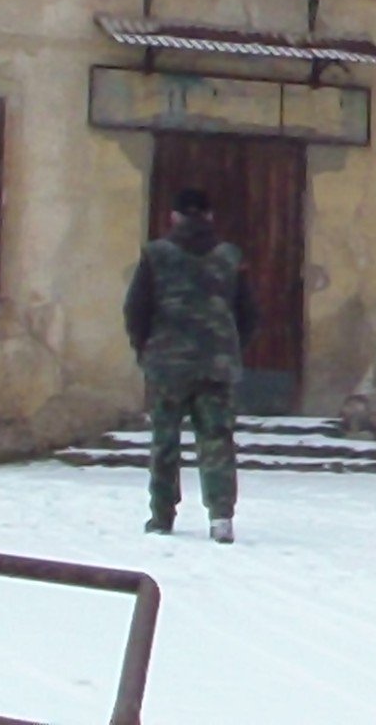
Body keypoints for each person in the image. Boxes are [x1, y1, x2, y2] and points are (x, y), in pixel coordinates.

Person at [123, 187, 258, 543]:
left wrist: (145, 348)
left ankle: (162, 515)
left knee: (164, 441)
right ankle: (221, 517)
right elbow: (249, 313)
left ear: (174, 216)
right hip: (216, 364)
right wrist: (230, 347)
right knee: (217, 439)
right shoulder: (230, 257)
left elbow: (136, 309)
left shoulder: (156, 255)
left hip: (168, 364)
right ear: (210, 216)